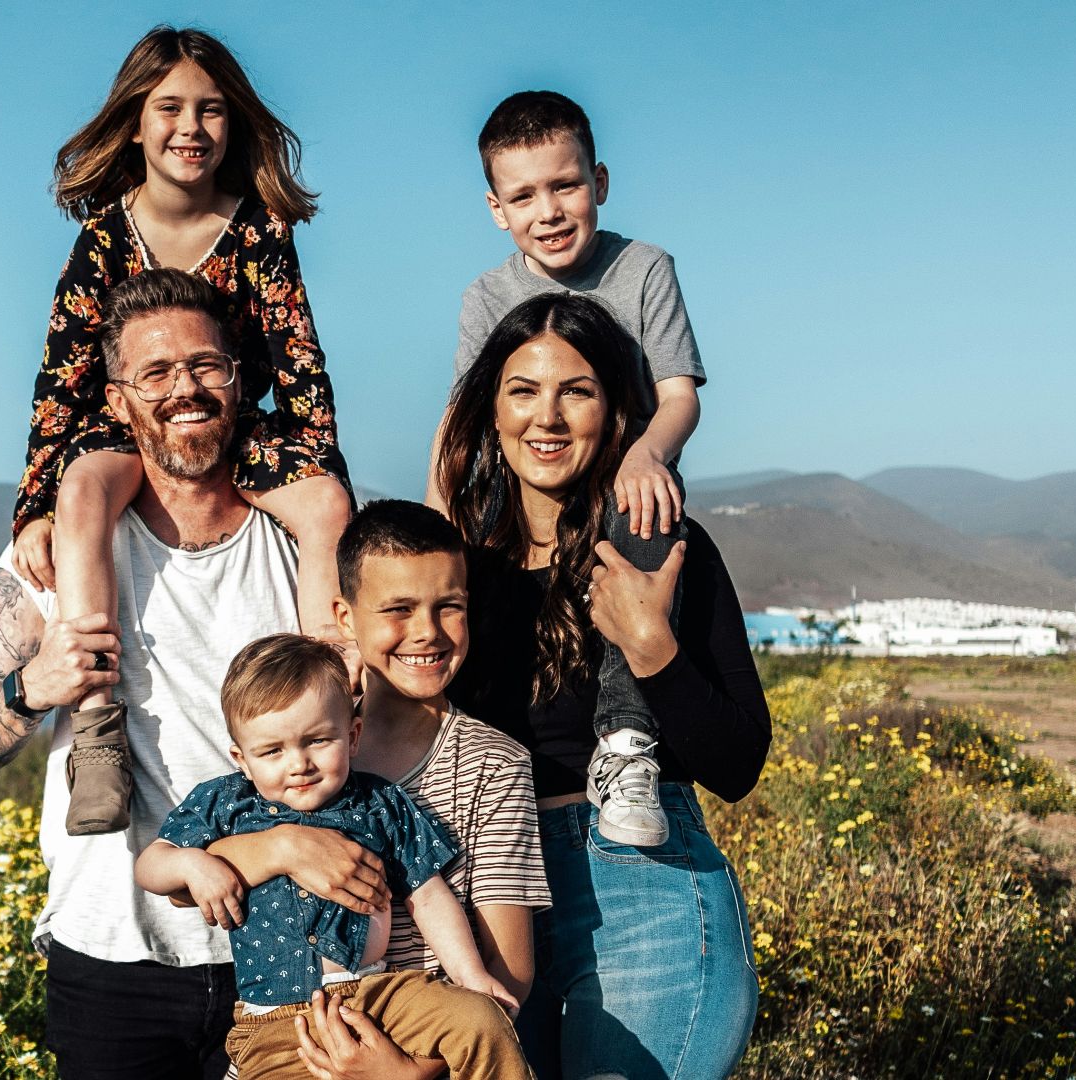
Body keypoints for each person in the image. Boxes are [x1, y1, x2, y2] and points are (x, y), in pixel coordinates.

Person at [0, 270, 345, 1079]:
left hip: (289, 954)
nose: (184, 389)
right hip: (110, 953)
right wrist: (35, 686)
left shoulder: (300, 546)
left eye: (206, 366)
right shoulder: (56, 558)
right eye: (155, 373)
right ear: (118, 401)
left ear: (239, 381)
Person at [413, 292, 767, 1080]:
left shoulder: (661, 546)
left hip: (642, 885)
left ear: (615, 414)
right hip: (487, 893)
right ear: (491, 411)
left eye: (576, 391)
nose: (547, 417)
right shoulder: (453, 569)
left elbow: (738, 762)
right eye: (522, 390)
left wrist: (651, 647)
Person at [12, 26, 353, 837]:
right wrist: (32, 508)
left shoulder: (260, 230)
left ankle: (338, 695)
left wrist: (319, 473)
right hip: (124, 428)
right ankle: (98, 729)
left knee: (327, 506)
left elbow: (300, 365)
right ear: (135, 123)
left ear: (233, 124)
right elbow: (59, 383)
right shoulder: (102, 237)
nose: (190, 128)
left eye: (210, 109)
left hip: (237, 426)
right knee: (83, 489)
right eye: (169, 108)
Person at [427, 90, 710, 848]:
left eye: (565, 186)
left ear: (600, 182)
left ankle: (626, 745)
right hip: (522, 498)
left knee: (643, 515)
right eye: (523, 196)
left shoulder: (644, 268)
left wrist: (648, 452)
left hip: (624, 491)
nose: (548, 211)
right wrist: (435, 521)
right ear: (497, 209)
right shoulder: (488, 296)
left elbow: (679, 396)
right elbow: (460, 420)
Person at [184, 499, 552, 1080]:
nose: (426, 631)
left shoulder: (494, 764)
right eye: (398, 609)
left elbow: (510, 973)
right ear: (346, 618)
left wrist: (404, 1073)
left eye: (449, 607)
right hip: (287, 1037)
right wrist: (284, 847)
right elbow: (188, 886)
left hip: (418, 1051)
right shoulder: (291, 744)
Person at [136, 634, 527, 1080]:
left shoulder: (379, 803)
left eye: (318, 740)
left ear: (352, 736)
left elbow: (429, 896)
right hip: (276, 1023)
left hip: (381, 995)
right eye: (272, 751)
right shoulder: (226, 804)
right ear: (241, 759)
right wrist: (191, 863)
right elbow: (152, 865)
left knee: (480, 1020)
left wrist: (470, 975)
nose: (298, 763)